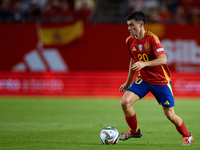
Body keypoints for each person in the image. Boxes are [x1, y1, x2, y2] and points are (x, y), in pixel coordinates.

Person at [119, 11, 194, 145]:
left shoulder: (152, 38)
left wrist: (144, 64)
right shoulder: (129, 41)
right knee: (125, 102)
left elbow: (163, 59)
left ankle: (187, 135)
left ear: (141, 24)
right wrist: (128, 82)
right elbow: (133, 61)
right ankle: (134, 131)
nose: (129, 28)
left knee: (170, 115)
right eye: (128, 26)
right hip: (143, 79)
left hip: (161, 81)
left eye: (132, 25)